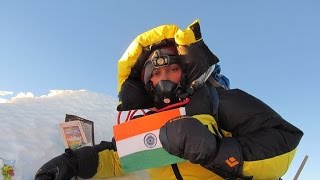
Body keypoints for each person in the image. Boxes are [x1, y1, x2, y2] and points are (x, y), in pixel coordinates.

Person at [35, 20, 303, 180]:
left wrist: (214, 150)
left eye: (172, 69)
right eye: (157, 72)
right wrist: (70, 163)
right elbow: (118, 159)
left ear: (184, 72)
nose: (165, 77)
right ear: (146, 81)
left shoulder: (217, 99)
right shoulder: (144, 119)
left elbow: (285, 142)